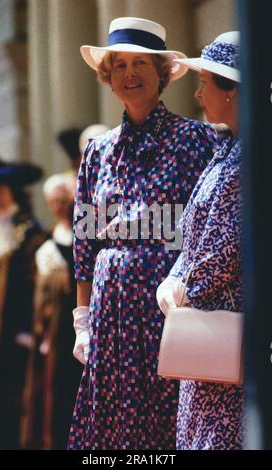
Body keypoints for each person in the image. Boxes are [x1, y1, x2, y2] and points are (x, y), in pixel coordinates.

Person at [68, 17, 218, 450]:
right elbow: (86, 242)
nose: (129, 74)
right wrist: (82, 322)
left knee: (170, 419)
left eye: (140, 64)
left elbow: (209, 227)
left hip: (170, 306)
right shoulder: (98, 151)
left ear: (162, 72)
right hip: (110, 308)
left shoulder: (198, 139)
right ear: (108, 76)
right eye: (119, 66)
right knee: (114, 430)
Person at [156, 32, 243, 450]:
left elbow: (225, 248)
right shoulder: (227, 150)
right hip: (205, 337)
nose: (197, 92)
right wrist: (173, 279)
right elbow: (194, 235)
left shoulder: (249, 158)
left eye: (206, 82)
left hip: (229, 333)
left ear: (230, 92)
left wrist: (183, 287)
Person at [0, 156, 47, 449]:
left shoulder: (29, 233)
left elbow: (36, 285)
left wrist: (30, 328)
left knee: (13, 391)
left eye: (1, 191)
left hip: (15, 331)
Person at [22, 173, 81, 449]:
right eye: (53, 201)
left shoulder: (86, 235)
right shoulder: (44, 244)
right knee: (57, 391)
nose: (58, 205)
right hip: (58, 332)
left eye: (62, 198)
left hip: (82, 322)